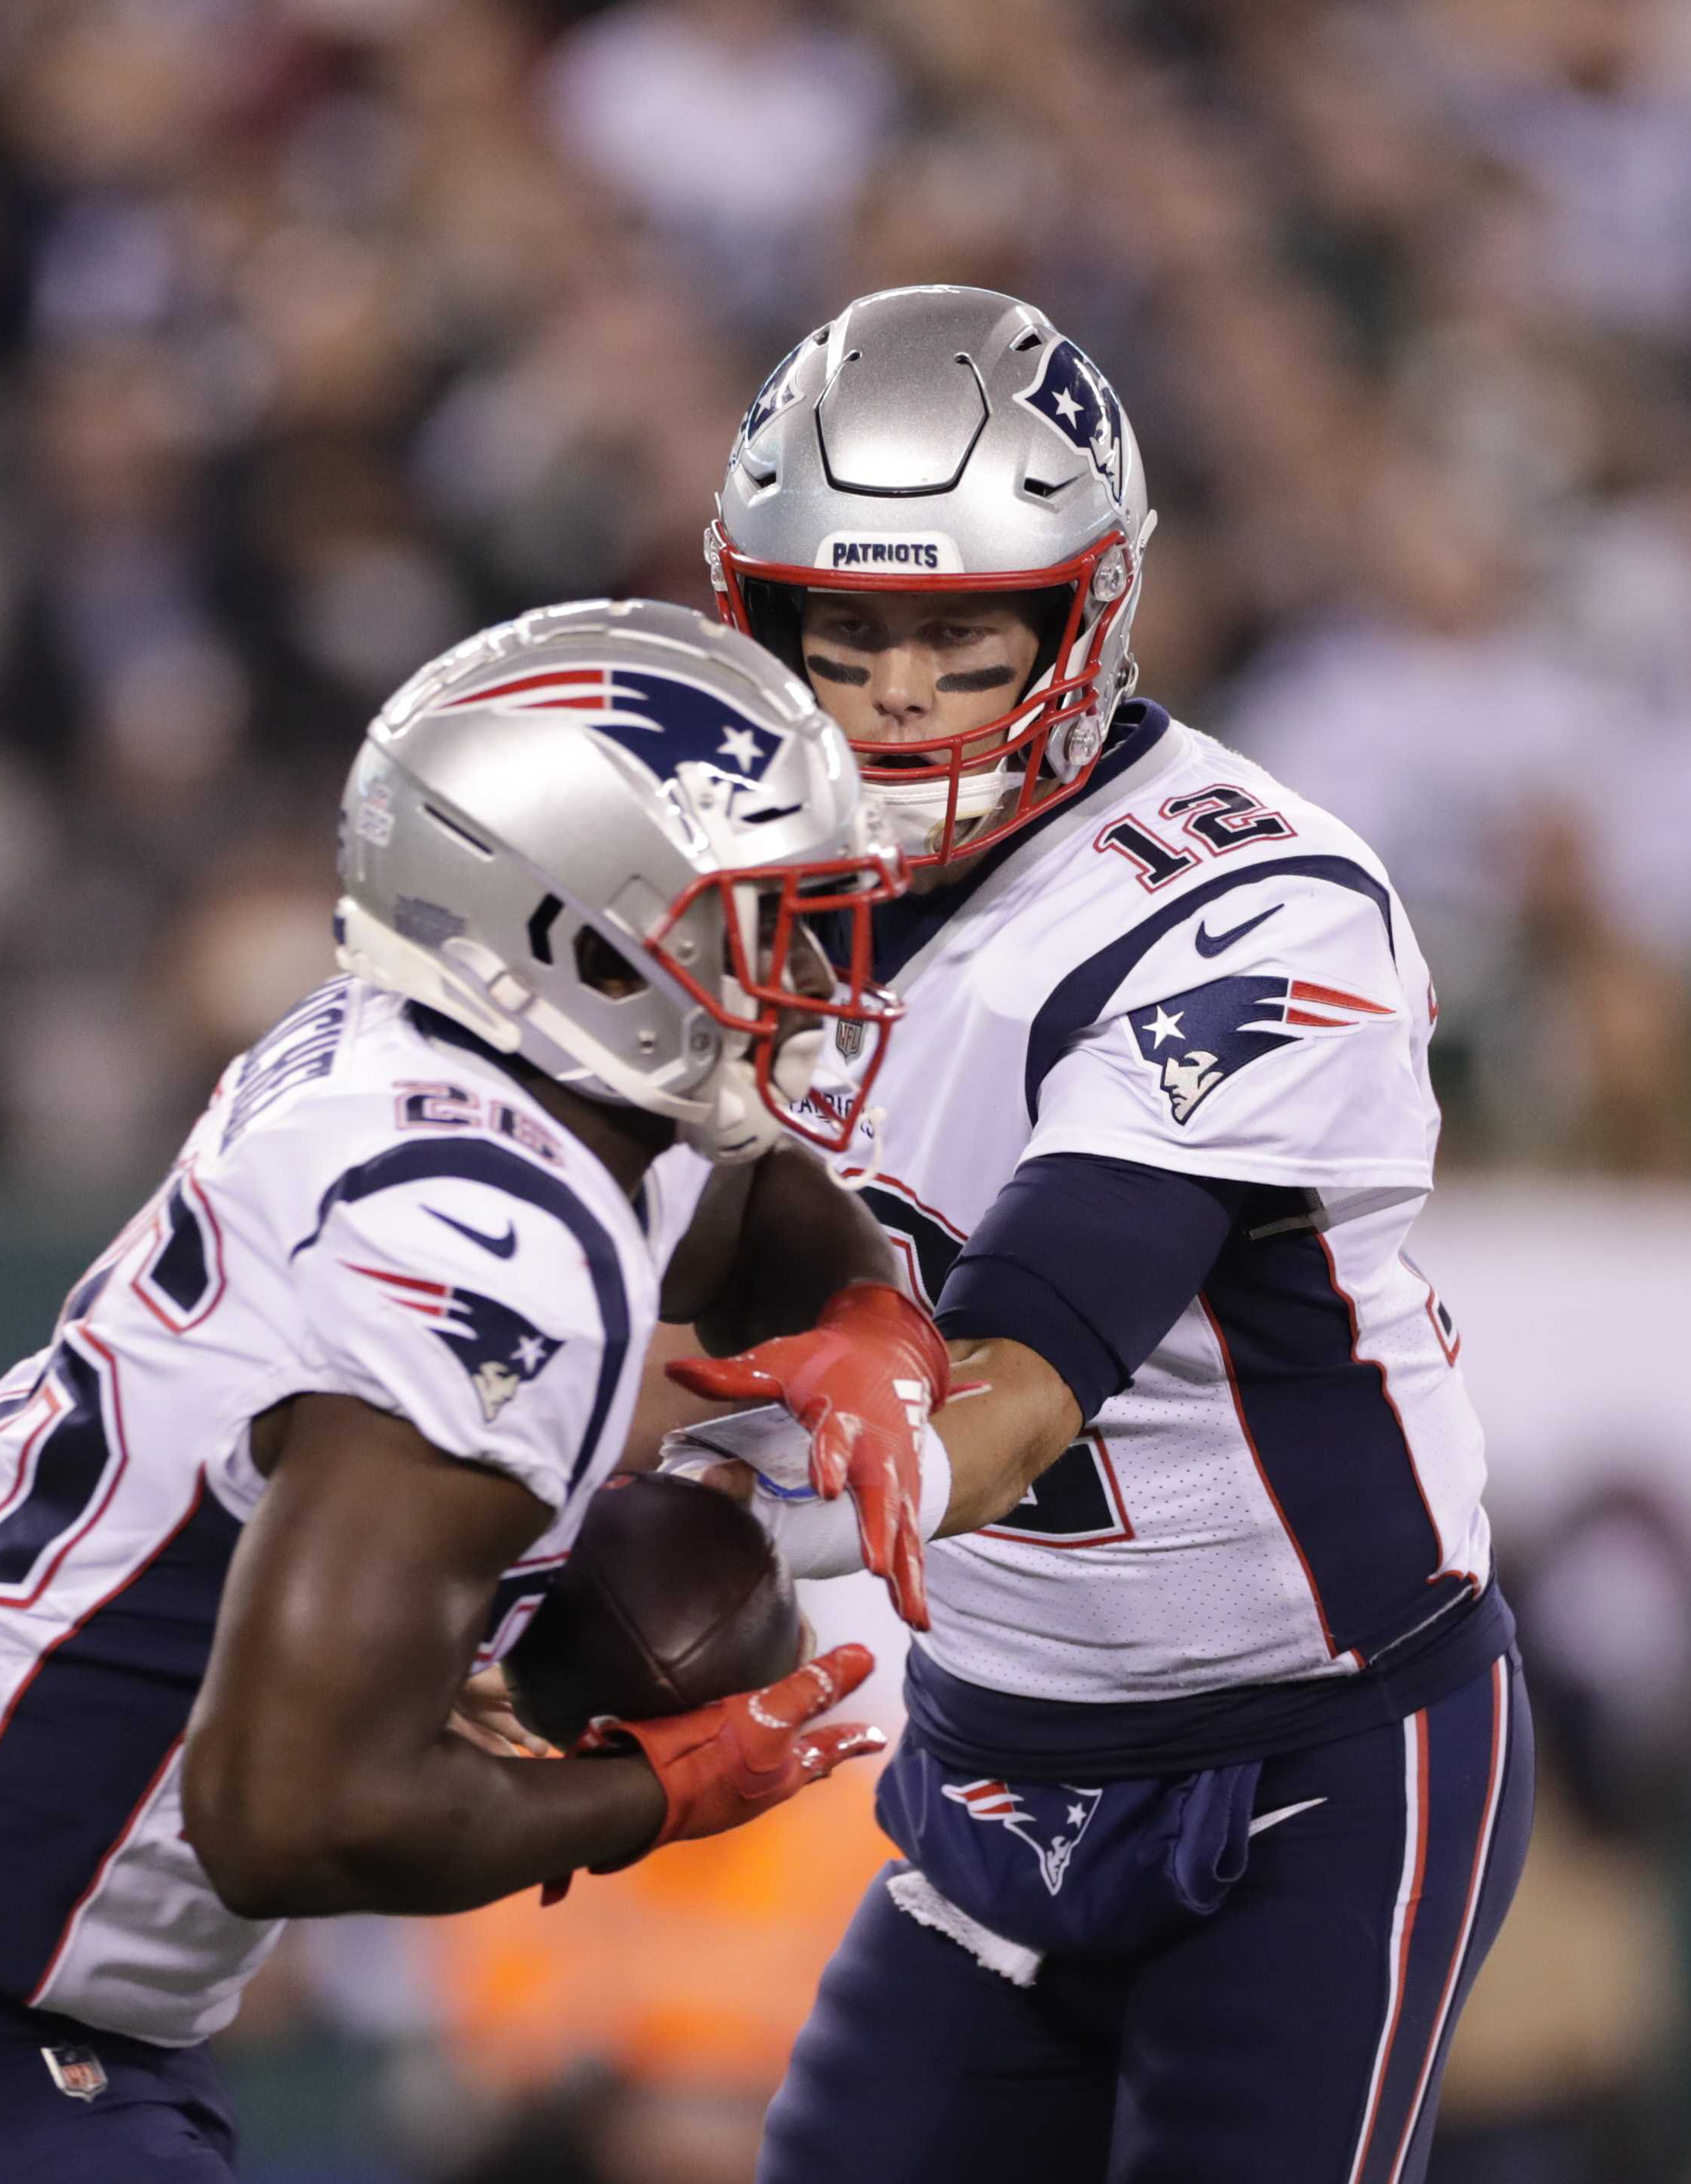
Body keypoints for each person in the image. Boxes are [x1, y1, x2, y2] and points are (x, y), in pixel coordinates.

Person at [0, 599, 952, 2182]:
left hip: (11, 2003)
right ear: (576, 936)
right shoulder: (491, 1240)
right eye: (751, 916)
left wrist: (863, 1312)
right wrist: (645, 1793)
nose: (799, 962)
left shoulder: (472, 1071)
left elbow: (746, 1204)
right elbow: (291, 1814)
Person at [687, 287, 1535, 2182]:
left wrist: (730, 1512)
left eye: (960, 633)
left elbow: (1014, 1382)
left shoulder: (1256, 899)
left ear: (1079, 619)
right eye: (847, 629)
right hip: (998, 1750)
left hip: (1311, 1758)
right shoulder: (694, 888)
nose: (896, 692)